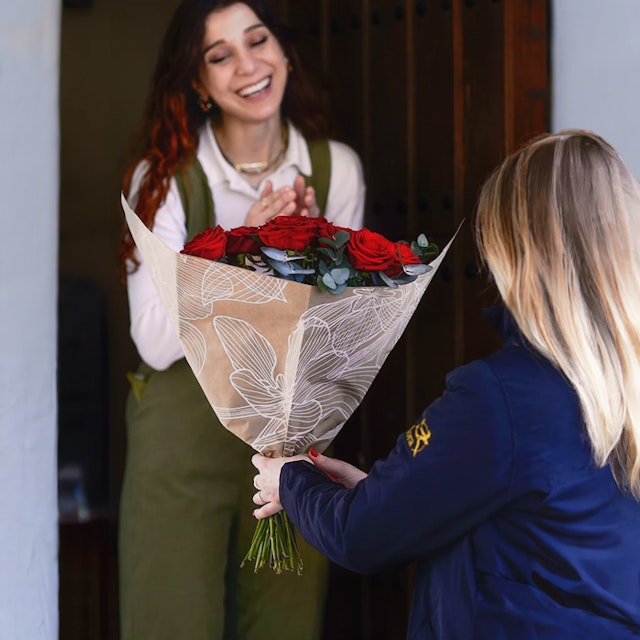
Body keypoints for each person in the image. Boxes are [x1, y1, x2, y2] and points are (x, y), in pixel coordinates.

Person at [251, 130, 640, 639]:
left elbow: (362, 536)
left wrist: (290, 482)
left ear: (514, 249)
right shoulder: (619, 383)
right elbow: (530, 516)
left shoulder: (500, 398)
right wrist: (383, 491)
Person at [117, 1, 365, 639]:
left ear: (284, 51)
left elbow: (342, 333)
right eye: (220, 55)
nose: (248, 66)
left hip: (291, 446)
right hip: (181, 447)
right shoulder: (164, 180)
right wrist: (241, 247)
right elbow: (154, 340)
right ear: (198, 82)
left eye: (258, 42)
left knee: (285, 626)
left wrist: (309, 251)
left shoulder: (334, 169)